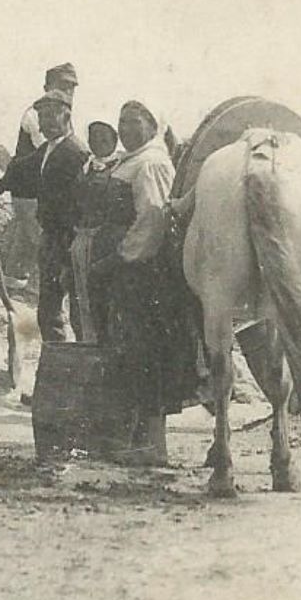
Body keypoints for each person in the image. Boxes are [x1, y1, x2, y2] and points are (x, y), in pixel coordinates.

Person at [91, 99, 186, 465]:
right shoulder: (131, 161)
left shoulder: (152, 163)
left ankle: (153, 445)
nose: (126, 129)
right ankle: (136, 438)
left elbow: (153, 219)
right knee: (129, 353)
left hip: (142, 274)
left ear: (152, 125)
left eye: (134, 122)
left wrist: (119, 257)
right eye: (121, 122)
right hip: (125, 273)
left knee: (146, 353)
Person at [0, 89, 89, 342]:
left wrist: (71, 246)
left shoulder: (75, 152)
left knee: (77, 309)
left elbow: (82, 204)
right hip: (51, 239)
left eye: (53, 115)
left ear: (67, 116)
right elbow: (21, 169)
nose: (47, 122)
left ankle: (82, 361)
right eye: (42, 117)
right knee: (48, 310)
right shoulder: (49, 149)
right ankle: (57, 358)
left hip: (68, 241)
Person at [69, 121, 128, 343]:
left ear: (115, 140)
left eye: (104, 138)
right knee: (81, 300)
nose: (98, 143)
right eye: (94, 138)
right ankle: (86, 344)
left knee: (105, 300)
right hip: (82, 240)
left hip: (105, 243)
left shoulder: (121, 167)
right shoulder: (85, 166)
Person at [13, 62, 78, 160]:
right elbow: (50, 149)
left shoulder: (64, 113)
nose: (68, 93)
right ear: (46, 89)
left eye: (71, 88)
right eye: (62, 88)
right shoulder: (35, 114)